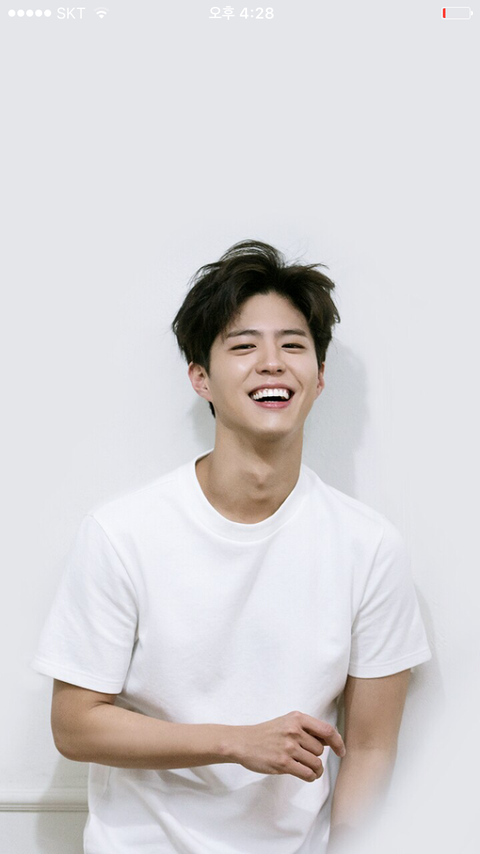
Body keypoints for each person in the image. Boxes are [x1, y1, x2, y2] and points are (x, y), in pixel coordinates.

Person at [31, 239, 432, 854]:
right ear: (201, 378)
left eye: (293, 345)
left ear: (320, 377)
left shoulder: (370, 547)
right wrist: (236, 741)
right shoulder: (123, 533)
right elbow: (74, 726)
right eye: (243, 346)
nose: (272, 363)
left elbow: (372, 746)